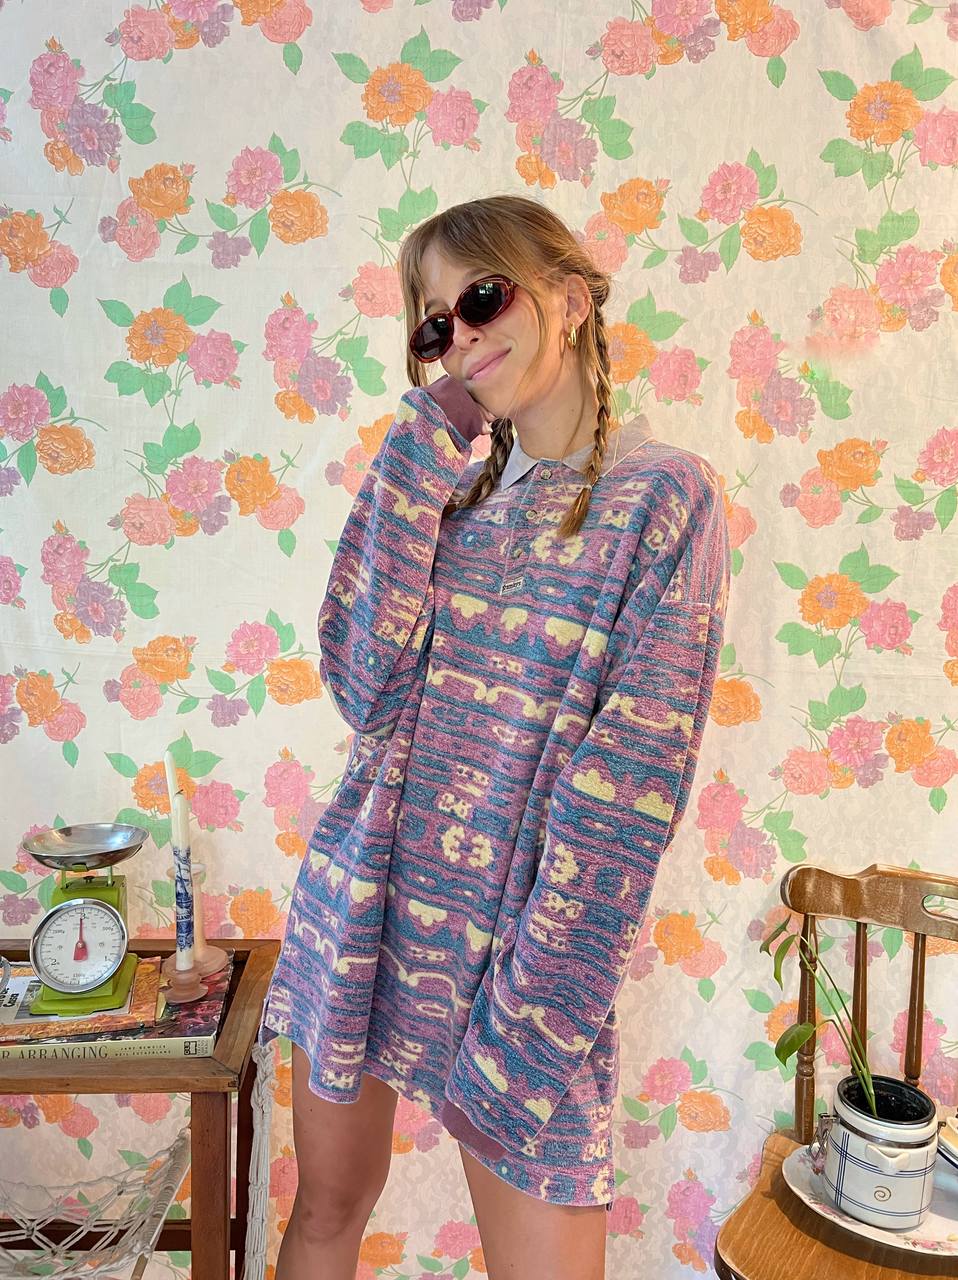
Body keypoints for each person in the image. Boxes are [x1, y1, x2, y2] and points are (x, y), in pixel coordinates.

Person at [260, 194, 732, 1280]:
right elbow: (360, 686)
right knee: (326, 1211)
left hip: (523, 951)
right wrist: (416, 450)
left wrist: (537, 1011)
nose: (461, 338)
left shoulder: (665, 499)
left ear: (569, 299)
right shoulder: (444, 491)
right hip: (364, 903)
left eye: (481, 297)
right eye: (434, 325)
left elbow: (628, 790)